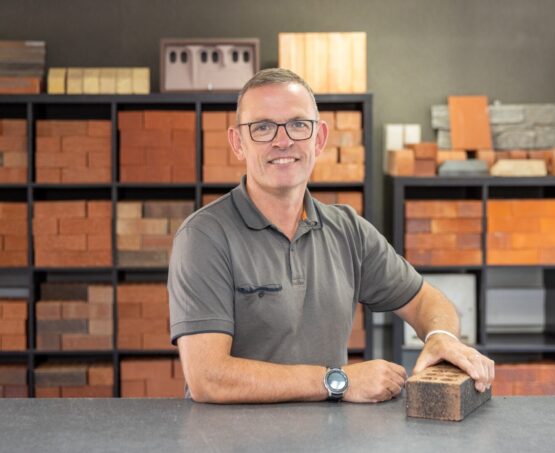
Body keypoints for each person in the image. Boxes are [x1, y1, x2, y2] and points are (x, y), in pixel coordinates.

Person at [168, 68, 494, 404]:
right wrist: (338, 381)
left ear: (319, 138)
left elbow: (427, 300)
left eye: (298, 124)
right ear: (238, 143)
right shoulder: (204, 237)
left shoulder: (347, 230)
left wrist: (442, 337)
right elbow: (208, 377)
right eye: (262, 127)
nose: (283, 141)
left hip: (329, 437)